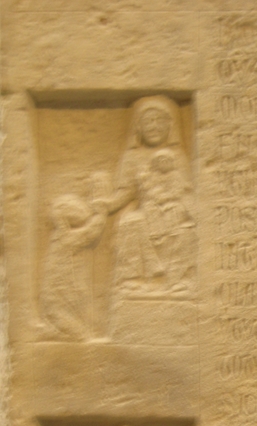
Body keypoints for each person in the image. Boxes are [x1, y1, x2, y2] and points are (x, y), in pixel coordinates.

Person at [108, 96, 196, 295]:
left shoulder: (178, 156)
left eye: (159, 121)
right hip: (147, 209)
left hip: (173, 208)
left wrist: (180, 206)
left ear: (169, 126)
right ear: (138, 127)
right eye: (148, 121)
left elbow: (186, 190)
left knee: (185, 230)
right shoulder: (132, 156)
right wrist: (107, 205)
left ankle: (177, 281)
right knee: (129, 222)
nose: (154, 126)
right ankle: (132, 279)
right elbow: (126, 191)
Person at [39, 191, 107, 339]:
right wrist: (101, 214)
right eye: (75, 210)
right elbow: (90, 233)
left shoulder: (61, 236)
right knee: (78, 330)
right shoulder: (64, 238)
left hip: (68, 294)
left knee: (80, 320)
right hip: (59, 301)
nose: (82, 212)